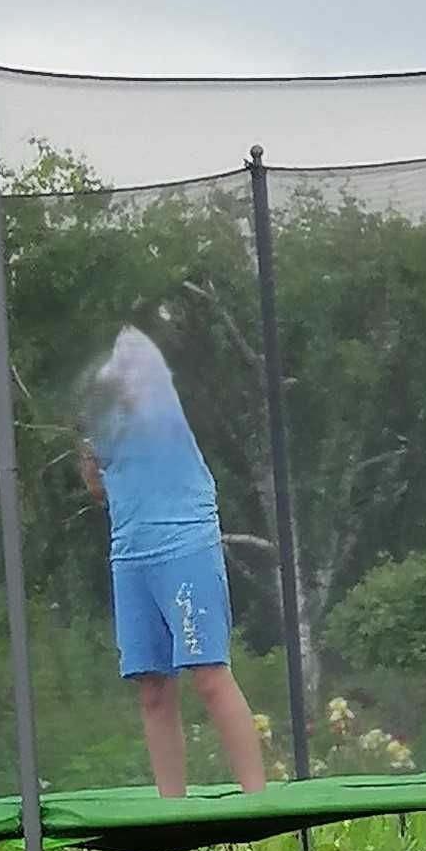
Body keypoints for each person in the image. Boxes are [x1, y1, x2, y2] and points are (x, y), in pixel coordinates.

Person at [77, 324, 269, 802]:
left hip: (184, 537)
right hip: (130, 548)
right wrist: (89, 457)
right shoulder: (94, 405)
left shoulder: (139, 356)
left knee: (208, 673)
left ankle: (259, 801)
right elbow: (100, 487)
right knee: (152, 687)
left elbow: (142, 370)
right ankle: (172, 809)